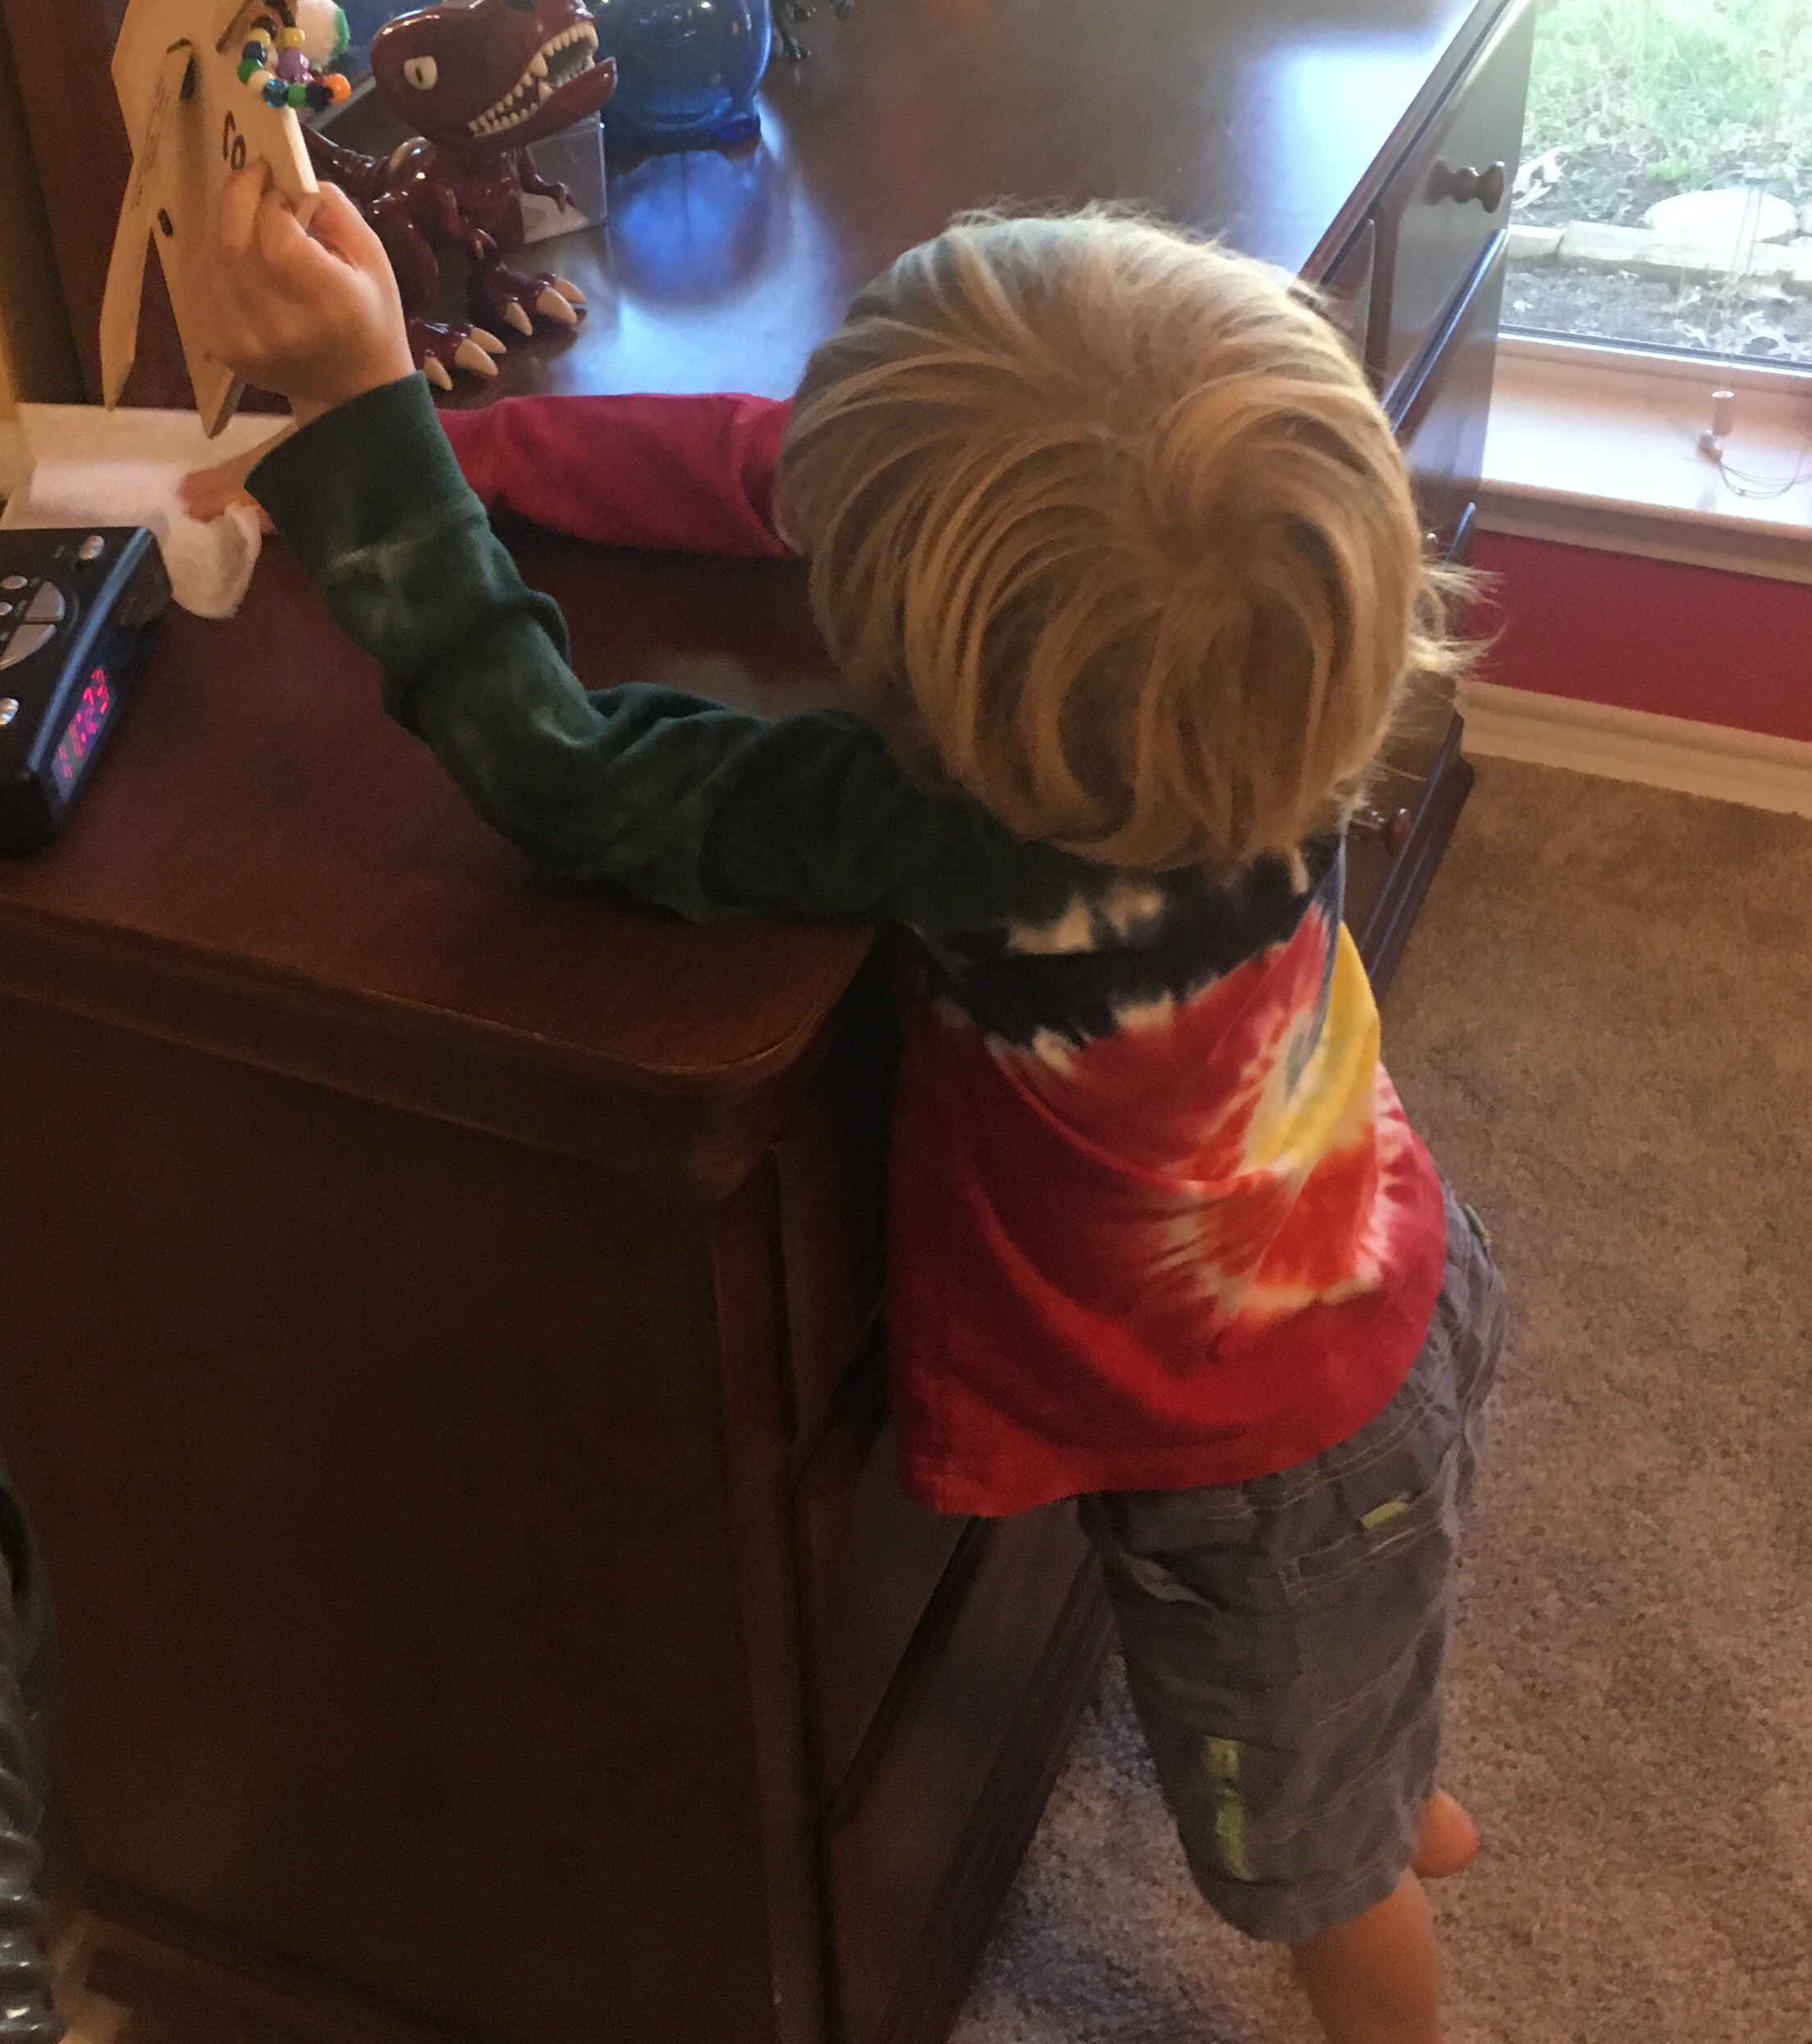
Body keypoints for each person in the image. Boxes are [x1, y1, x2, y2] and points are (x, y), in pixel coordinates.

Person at [200, 167, 1505, 2044]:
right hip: (1397, 1271)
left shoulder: (960, 834)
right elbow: (806, 466)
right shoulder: (1281, 655)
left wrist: (368, 433)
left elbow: (569, 778)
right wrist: (463, 440)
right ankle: (1380, 1778)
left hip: (1256, 1465)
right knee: (1385, 1595)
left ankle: (1365, 1868)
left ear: (938, 672)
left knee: (1310, 1868)